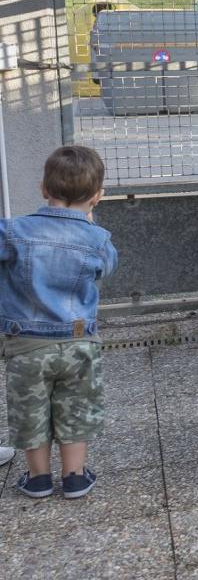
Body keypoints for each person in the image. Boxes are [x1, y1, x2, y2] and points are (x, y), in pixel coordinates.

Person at [1, 146, 117, 499]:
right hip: (79, 341)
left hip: (26, 345)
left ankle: (37, 478)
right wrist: (89, 225)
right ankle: (75, 476)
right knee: (76, 406)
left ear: (43, 189)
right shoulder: (97, 240)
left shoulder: (14, 231)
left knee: (31, 409)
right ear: (97, 197)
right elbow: (108, 268)